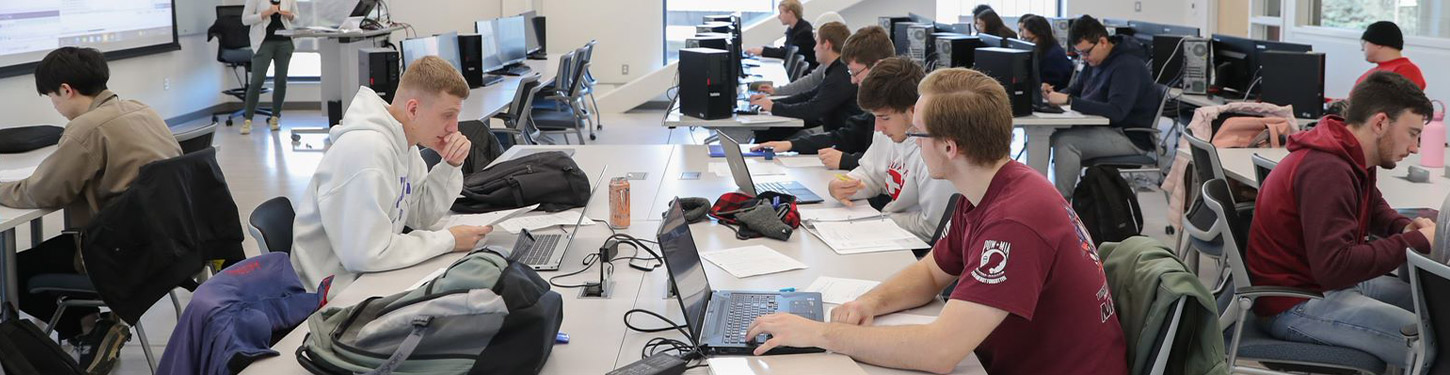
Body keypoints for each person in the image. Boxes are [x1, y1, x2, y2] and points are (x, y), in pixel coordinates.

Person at [744, 68, 1129, 374]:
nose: (911, 139)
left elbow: (940, 351)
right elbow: (931, 273)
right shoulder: (990, 188)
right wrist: (870, 303)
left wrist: (822, 334)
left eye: (918, 132)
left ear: (949, 147)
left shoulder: (1015, 221)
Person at [1, 46, 183, 374]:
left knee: (7, 271)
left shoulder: (86, 128)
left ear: (67, 90)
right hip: (169, 244)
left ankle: (88, 331)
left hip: (119, 253)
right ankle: (94, 328)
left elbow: (42, 192)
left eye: (52, 98)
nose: (54, 106)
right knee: (45, 253)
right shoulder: (141, 110)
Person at [1248, 71, 1435, 368]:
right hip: (1293, 303)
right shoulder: (1328, 169)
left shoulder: (1349, 151)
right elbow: (1335, 267)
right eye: (1413, 134)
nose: (1415, 147)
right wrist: (1413, 241)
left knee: (1434, 307)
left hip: (1319, 285)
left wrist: (1402, 227)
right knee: (1429, 342)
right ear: (1380, 123)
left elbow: (1374, 206)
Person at [291, 56, 494, 296]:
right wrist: (448, 240)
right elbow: (366, 253)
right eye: (447, 115)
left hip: (367, 276)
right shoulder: (366, 151)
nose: (454, 127)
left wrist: (450, 165)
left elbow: (420, 216)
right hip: (334, 296)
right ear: (413, 109)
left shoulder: (402, 142)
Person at [817, 57, 955, 240]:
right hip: (891, 230)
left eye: (885, 117)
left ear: (915, 111)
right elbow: (871, 173)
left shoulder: (934, 153)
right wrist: (842, 184)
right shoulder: (888, 133)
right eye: (875, 117)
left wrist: (883, 219)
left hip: (918, 248)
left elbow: (934, 227)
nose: (878, 127)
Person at [1042, 15, 1160, 197]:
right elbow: (1075, 90)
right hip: (1104, 128)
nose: (1084, 58)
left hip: (1128, 135)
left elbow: (1116, 112)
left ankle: (1062, 208)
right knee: (1047, 135)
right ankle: (1043, 198)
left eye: (1086, 52)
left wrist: (1068, 101)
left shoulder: (1127, 66)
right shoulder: (1095, 60)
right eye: (1080, 53)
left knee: (1065, 142)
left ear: (1103, 42)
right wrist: (1052, 94)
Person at [751, 26, 894, 171]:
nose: (852, 80)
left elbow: (887, 164)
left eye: (855, 72)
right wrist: (791, 145)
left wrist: (847, 161)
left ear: (877, 66)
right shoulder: (876, 105)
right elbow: (846, 136)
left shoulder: (896, 105)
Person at [749, 22, 862, 143]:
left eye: (817, 42)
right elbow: (809, 95)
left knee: (775, 136)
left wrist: (773, 107)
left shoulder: (841, 74)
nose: (814, 48)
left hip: (841, 139)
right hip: (833, 131)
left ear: (827, 44)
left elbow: (812, 109)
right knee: (769, 133)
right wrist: (770, 102)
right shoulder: (836, 69)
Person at [240, 0, 299, 135]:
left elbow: (296, 17)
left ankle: (275, 117)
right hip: (263, 43)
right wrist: (266, 13)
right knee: (256, 81)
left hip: (284, 42)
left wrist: (289, 15)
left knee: (280, 80)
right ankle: (248, 119)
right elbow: (245, 20)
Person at [756, 13, 846, 97]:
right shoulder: (827, 66)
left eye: (817, 40)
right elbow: (809, 83)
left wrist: (774, 105)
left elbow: (815, 105)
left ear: (827, 43)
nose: (814, 47)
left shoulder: (839, 73)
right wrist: (777, 91)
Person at [746, 0, 817, 71]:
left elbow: (788, 53)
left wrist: (763, 51)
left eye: (781, 13)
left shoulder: (804, 32)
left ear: (790, 13)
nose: (779, 17)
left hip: (806, 73)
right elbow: (786, 50)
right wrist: (763, 50)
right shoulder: (793, 29)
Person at [1356, 21, 1426, 90]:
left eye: (1364, 43)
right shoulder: (1371, 73)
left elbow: (1403, 100)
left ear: (1378, 42)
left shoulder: (1407, 70)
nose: (1362, 49)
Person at [1018, 14, 1073, 90]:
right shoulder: (1043, 50)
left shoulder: (1053, 56)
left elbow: (1049, 86)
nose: (1028, 43)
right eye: (1024, 39)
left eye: (1030, 39)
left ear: (1042, 36)